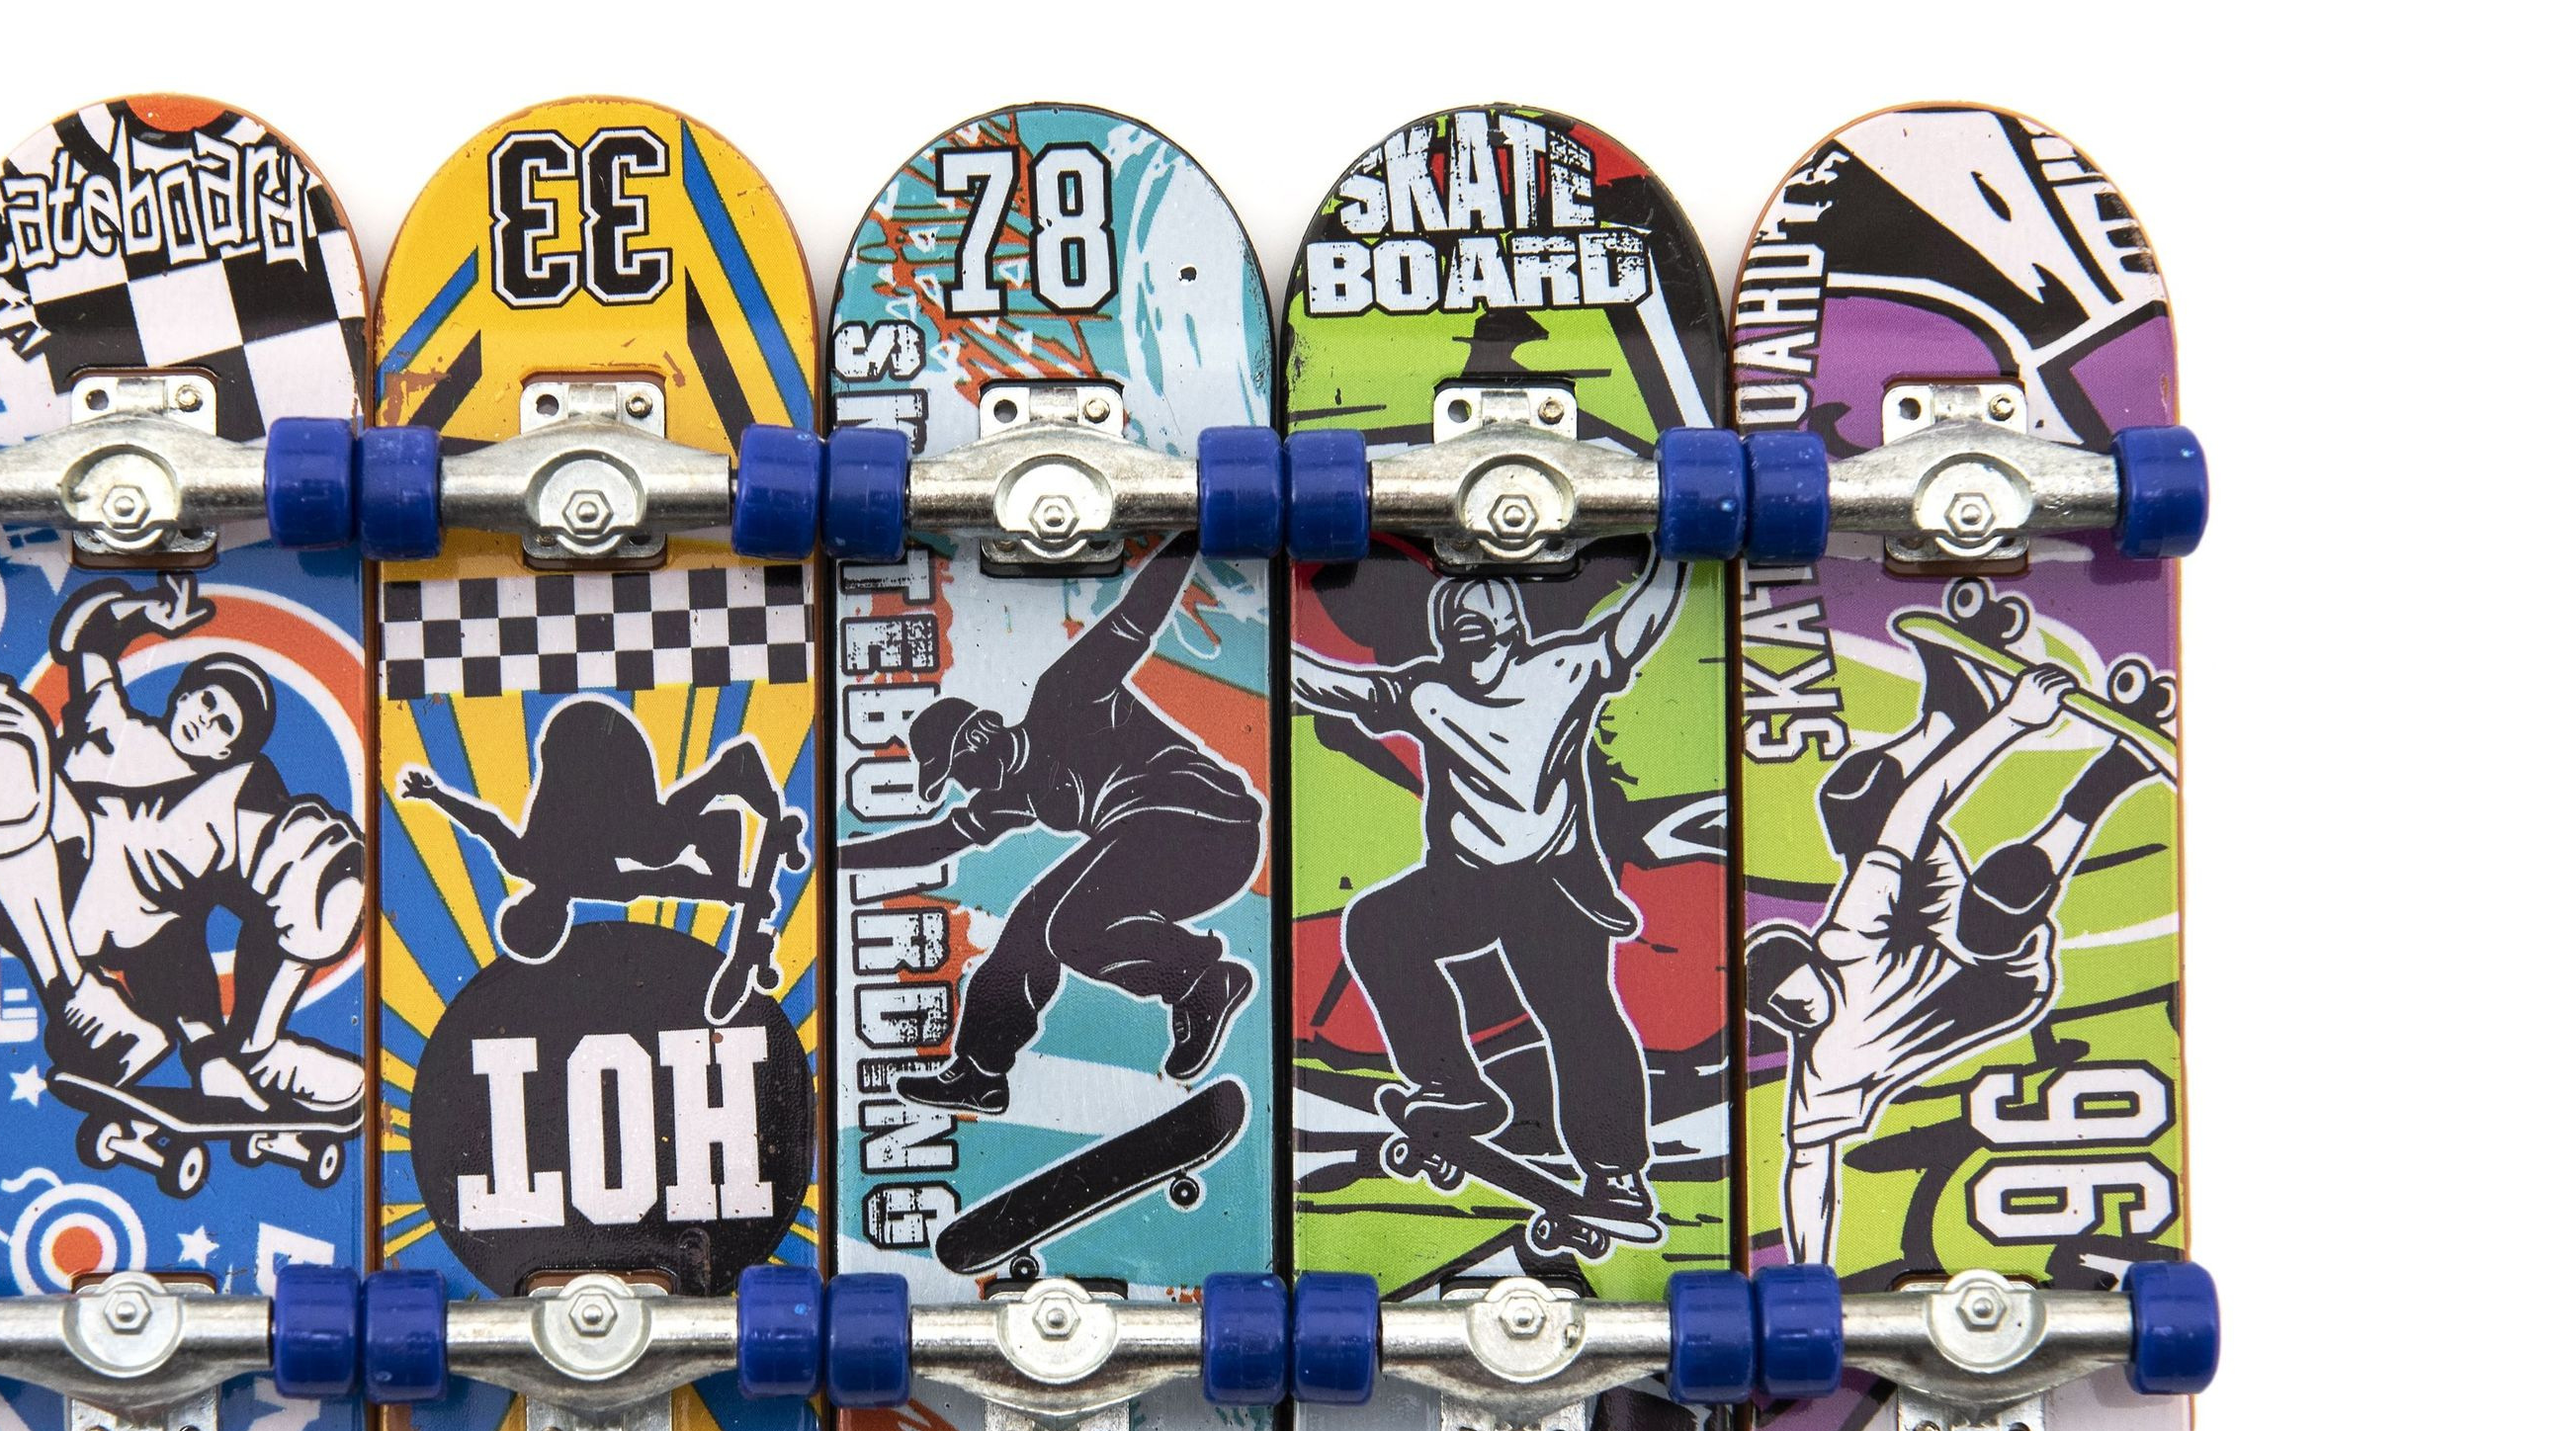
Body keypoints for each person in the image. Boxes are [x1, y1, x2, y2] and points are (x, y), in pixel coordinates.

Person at [1293, 554, 1685, 1238]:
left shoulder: (1564, 670)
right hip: (1467, 881)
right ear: (1445, 641)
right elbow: (1332, 686)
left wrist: (1679, 553)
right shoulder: (1427, 692)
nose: (1472, 651)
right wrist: (1271, 641)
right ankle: (1456, 1087)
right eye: (1459, 634)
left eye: (1482, 630)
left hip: (1553, 883)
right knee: (1378, 926)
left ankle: (1615, 1172)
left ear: (1511, 631)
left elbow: (1640, 621)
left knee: (1578, 1013)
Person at [1746, 633, 2158, 1264]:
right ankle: (2115, 773)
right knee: (2000, 892)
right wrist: (1809, 1272)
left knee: (1854, 799)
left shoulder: (1848, 936)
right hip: (1993, 986)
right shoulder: (1823, 1069)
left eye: (1795, 996)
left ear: (1812, 960)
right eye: (1785, 1014)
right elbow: (1809, 1173)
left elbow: (1913, 810)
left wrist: (2011, 722)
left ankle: (1951, 715)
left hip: (1922, 931)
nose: (1798, 1014)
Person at [839, 541, 1262, 1112]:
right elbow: (937, 840)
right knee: (1032, 923)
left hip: (1209, 824)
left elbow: (1135, 621)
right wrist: (840, 856)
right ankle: (980, 1070)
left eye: (959, 771)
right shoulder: (1013, 795)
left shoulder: (1065, 694)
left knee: (1069, 924)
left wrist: (1192, 533)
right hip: (1153, 858)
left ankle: (1199, 981)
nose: (966, 786)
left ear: (980, 736)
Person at [0, 574, 366, 1116]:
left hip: (144, 923)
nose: (207, 719)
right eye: (208, 700)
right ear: (183, 694)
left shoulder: (227, 790)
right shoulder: (110, 724)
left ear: (226, 749)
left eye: (224, 724)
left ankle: (256, 1050)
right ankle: (78, 1000)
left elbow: (182, 954)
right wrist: (144, 616)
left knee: (321, 863)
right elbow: (89, 641)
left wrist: (208, 1052)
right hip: (54, 876)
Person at [393, 699, 804, 1019]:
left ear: (544, 917)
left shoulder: (552, 869)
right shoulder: (526, 862)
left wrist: (736, 893)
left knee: (654, 846)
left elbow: (663, 882)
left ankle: (732, 772)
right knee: (650, 841)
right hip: (584, 733)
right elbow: (485, 824)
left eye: (549, 928)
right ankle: (717, 822)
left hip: (597, 742)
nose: (557, 923)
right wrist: (434, 795)